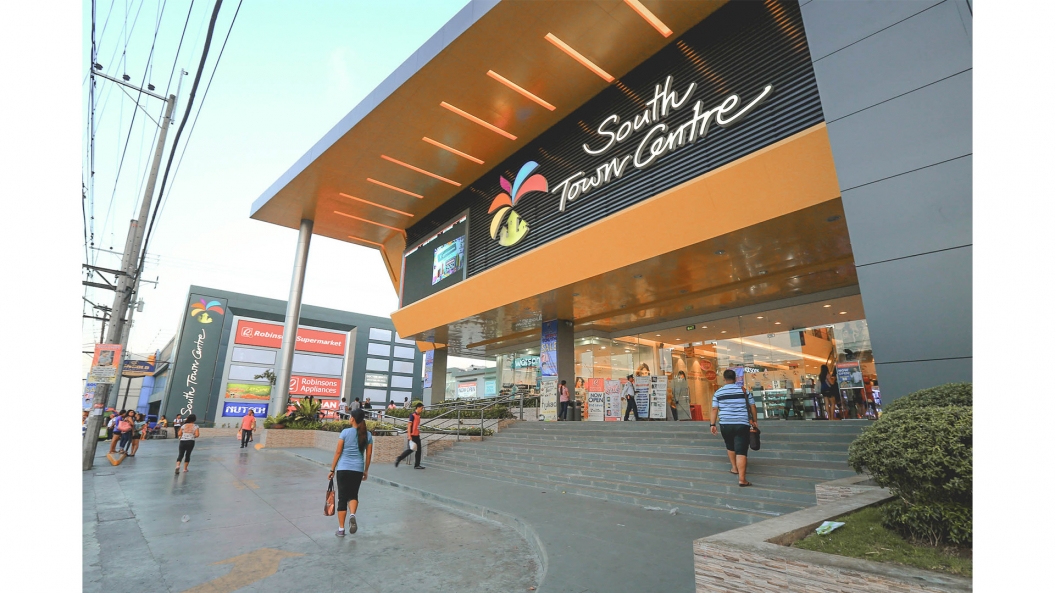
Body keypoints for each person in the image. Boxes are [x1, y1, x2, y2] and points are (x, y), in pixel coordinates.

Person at [328, 408, 373, 537]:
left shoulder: (345, 432)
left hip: (343, 469)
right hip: (357, 469)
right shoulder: (368, 435)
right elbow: (368, 455)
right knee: (353, 495)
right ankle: (352, 515)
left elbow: (338, 452)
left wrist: (332, 469)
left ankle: (341, 529)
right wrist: (366, 470)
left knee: (342, 497)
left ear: (352, 418)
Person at [710, 369, 758, 487]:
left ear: (724, 379)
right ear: (735, 378)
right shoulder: (744, 391)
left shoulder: (718, 392)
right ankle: (742, 479)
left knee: (730, 445)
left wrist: (712, 424)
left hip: (725, 424)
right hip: (742, 423)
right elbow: (752, 406)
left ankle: (734, 468)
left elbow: (714, 409)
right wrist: (754, 420)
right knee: (741, 450)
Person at [394, 402, 425, 469]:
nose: (422, 410)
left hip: (417, 435)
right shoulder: (412, 415)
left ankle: (417, 465)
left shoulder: (418, 416)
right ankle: (399, 458)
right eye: (421, 408)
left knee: (419, 450)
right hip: (412, 436)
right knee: (411, 449)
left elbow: (417, 426)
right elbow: (409, 426)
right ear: (418, 407)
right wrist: (409, 435)